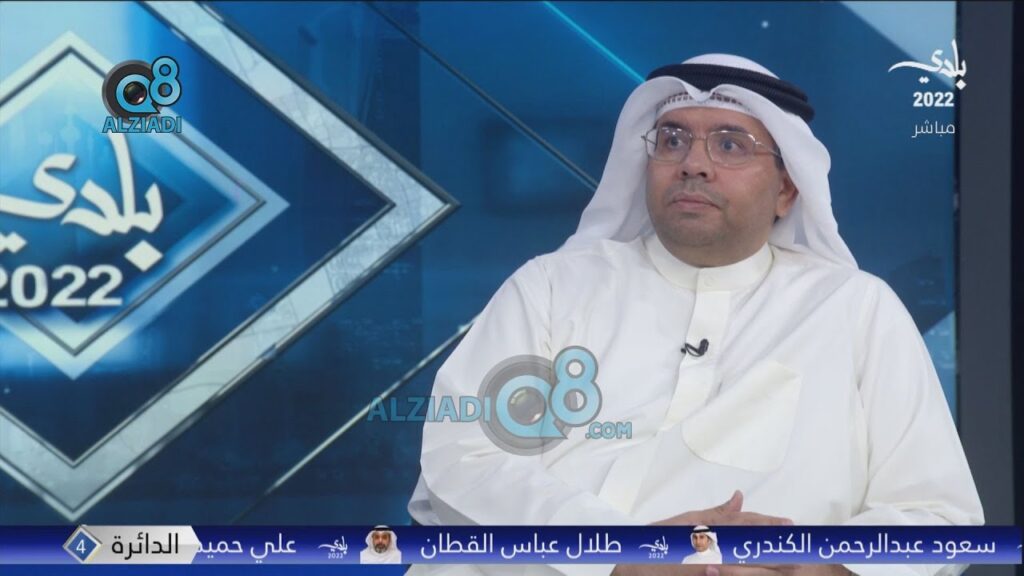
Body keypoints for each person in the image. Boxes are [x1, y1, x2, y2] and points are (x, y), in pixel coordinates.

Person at [406, 54, 983, 576]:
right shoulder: (553, 286)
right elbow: (464, 457)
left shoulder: (855, 308)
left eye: (731, 145)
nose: (693, 164)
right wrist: (619, 558)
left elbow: (937, 514)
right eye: (673, 140)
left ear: (788, 190)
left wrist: (823, 570)